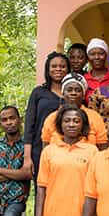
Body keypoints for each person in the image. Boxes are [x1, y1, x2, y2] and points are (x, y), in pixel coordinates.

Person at [36, 105, 98, 216]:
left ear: (82, 125)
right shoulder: (49, 151)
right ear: (60, 125)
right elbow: (41, 187)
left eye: (76, 121)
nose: (71, 124)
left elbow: (96, 190)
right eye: (67, 121)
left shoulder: (92, 151)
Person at [23, 51, 70, 181]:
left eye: (62, 66)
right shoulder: (39, 92)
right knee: (42, 188)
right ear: (48, 70)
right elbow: (29, 125)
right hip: (40, 150)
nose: (58, 69)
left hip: (67, 151)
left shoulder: (73, 93)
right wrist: (27, 157)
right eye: (54, 66)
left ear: (68, 69)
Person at [40, 73, 108, 149]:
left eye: (78, 90)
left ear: (83, 95)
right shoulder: (52, 118)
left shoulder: (95, 117)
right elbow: (45, 148)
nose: (73, 93)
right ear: (62, 94)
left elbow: (102, 149)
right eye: (69, 90)